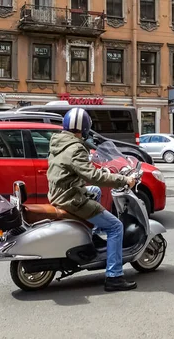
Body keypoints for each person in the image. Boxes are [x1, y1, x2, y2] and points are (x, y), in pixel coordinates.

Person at [47, 107, 137, 292]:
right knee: (115, 227)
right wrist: (123, 179)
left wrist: (102, 171)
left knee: (94, 191)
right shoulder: (75, 148)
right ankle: (114, 276)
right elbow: (91, 175)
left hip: (58, 192)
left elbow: (79, 170)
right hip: (70, 198)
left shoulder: (59, 142)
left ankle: (91, 237)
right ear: (85, 127)